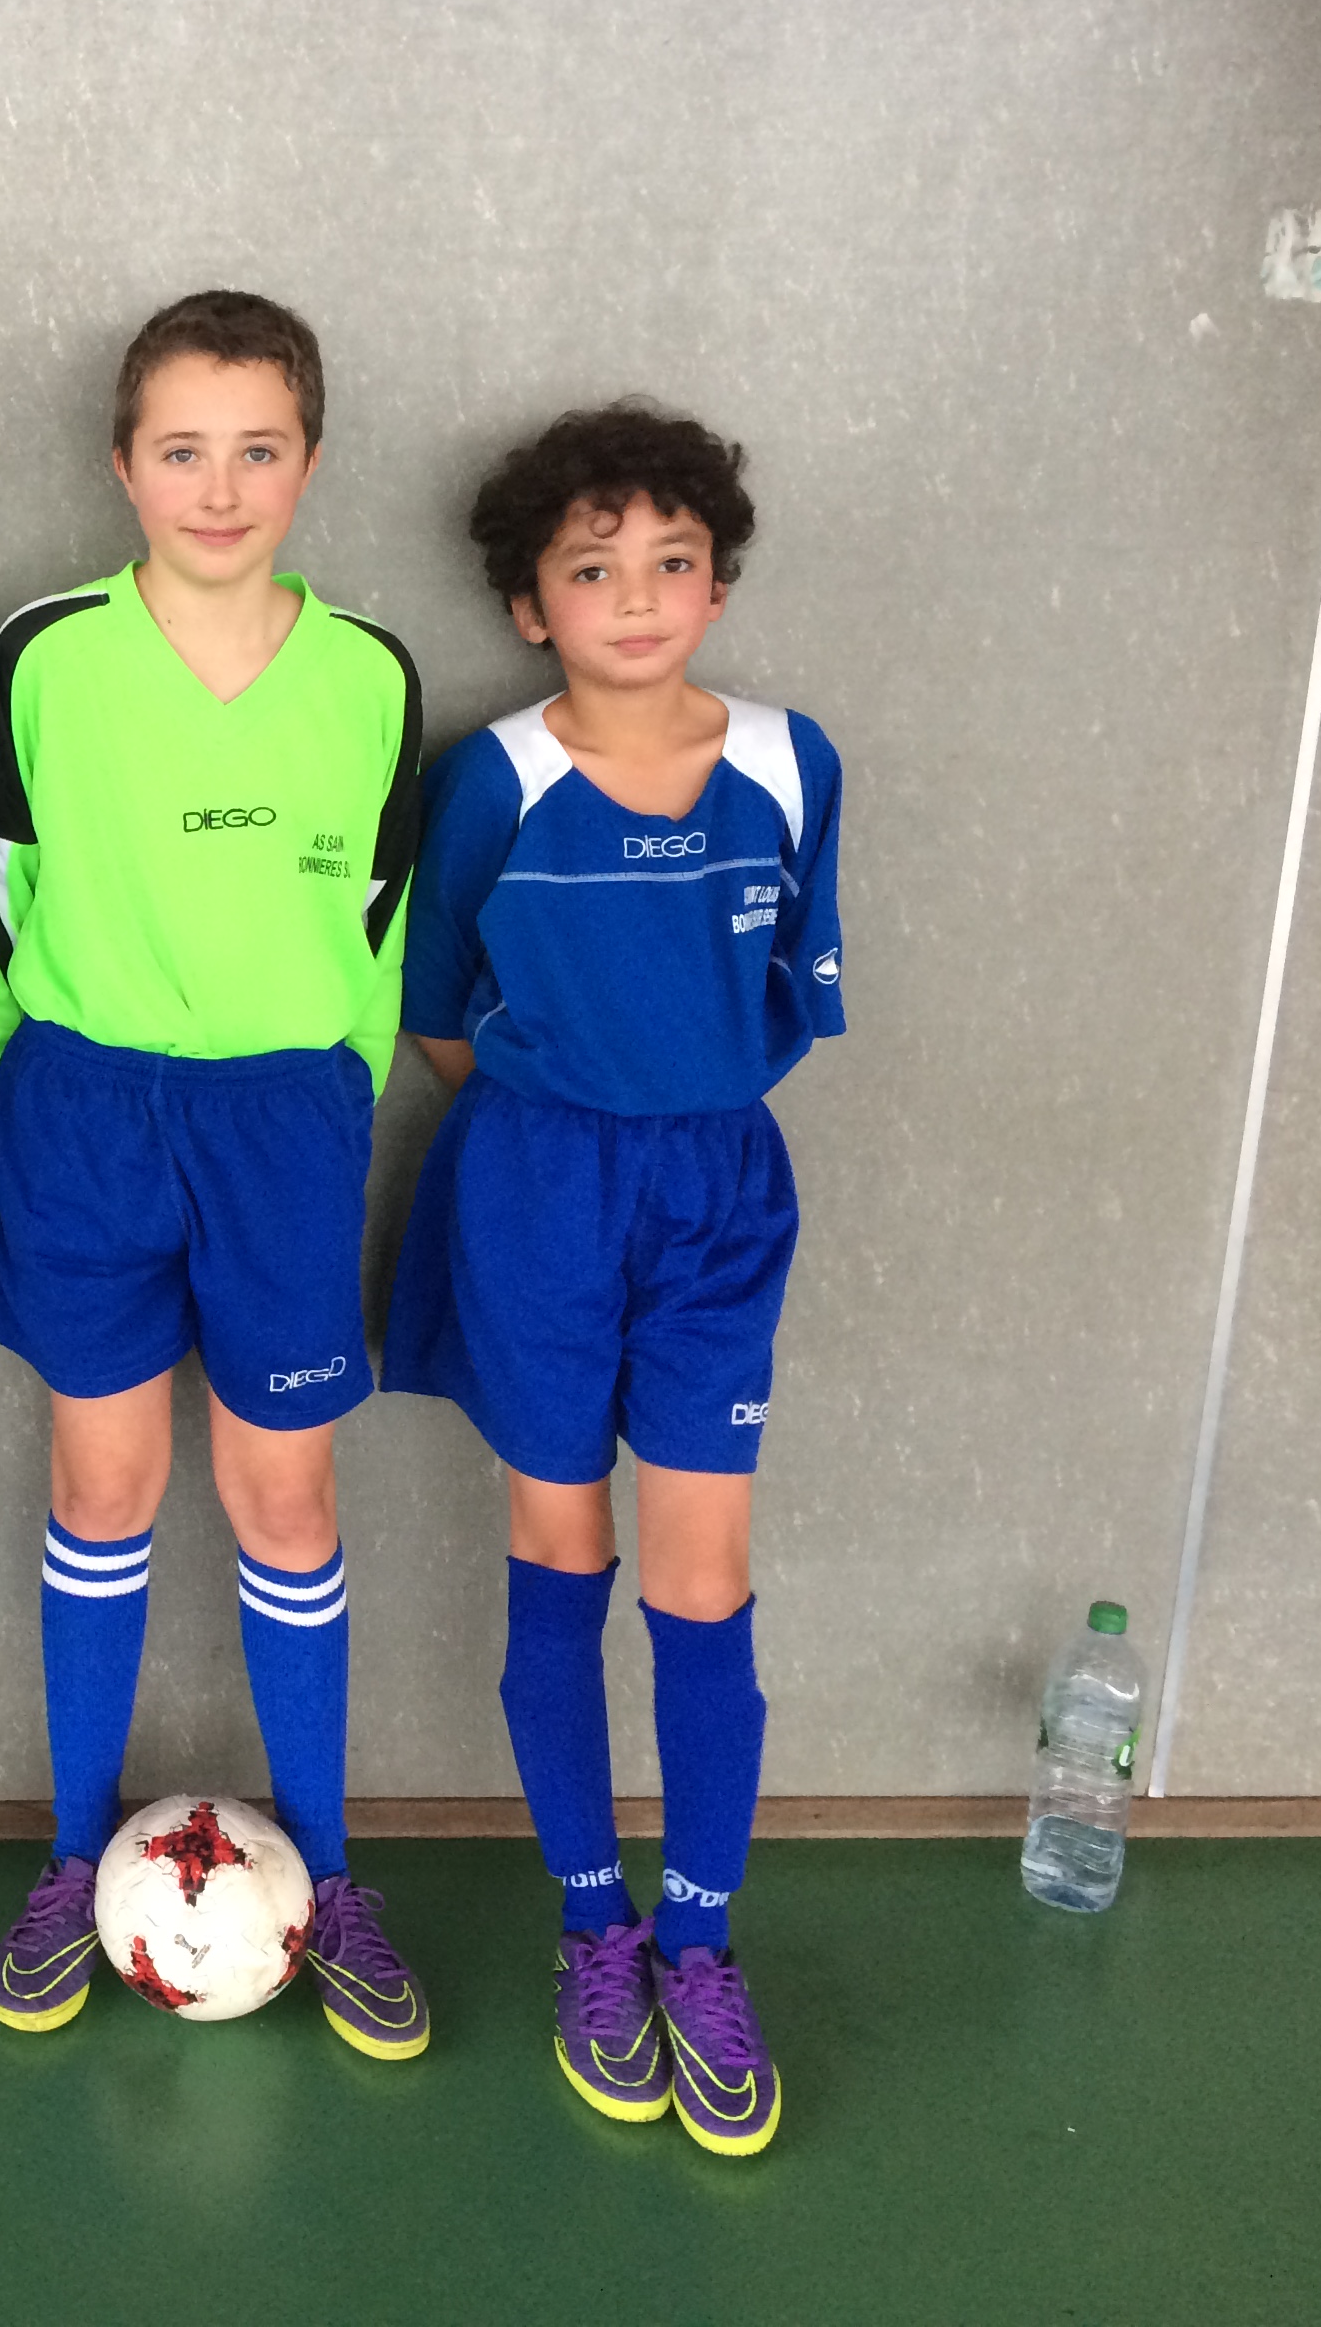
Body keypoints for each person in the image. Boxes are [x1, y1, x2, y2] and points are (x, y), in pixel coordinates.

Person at [0, 290, 429, 2054]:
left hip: (283, 1128)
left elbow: (377, 925)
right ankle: (74, 1861)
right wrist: (38, 1093)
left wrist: (325, 1101)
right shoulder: (45, 656)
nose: (218, 488)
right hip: (87, 1116)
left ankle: (337, 1877)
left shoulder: (369, 675)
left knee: (285, 1502)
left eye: (257, 449)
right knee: (105, 1490)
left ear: (309, 461)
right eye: (181, 449)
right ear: (121, 464)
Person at [386, 403, 841, 2158]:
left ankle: (701, 1945)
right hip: (537, 1188)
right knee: (561, 1547)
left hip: (720, 1194)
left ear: (717, 582)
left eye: (671, 562)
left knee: (703, 1572)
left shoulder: (791, 763)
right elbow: (435, 1010)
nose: (637, 596)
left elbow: (790, 985)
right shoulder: (495, 779)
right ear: (530, 606)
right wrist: (562, 1124)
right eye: (593, 570)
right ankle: (596, 1932)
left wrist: (667, 1111)